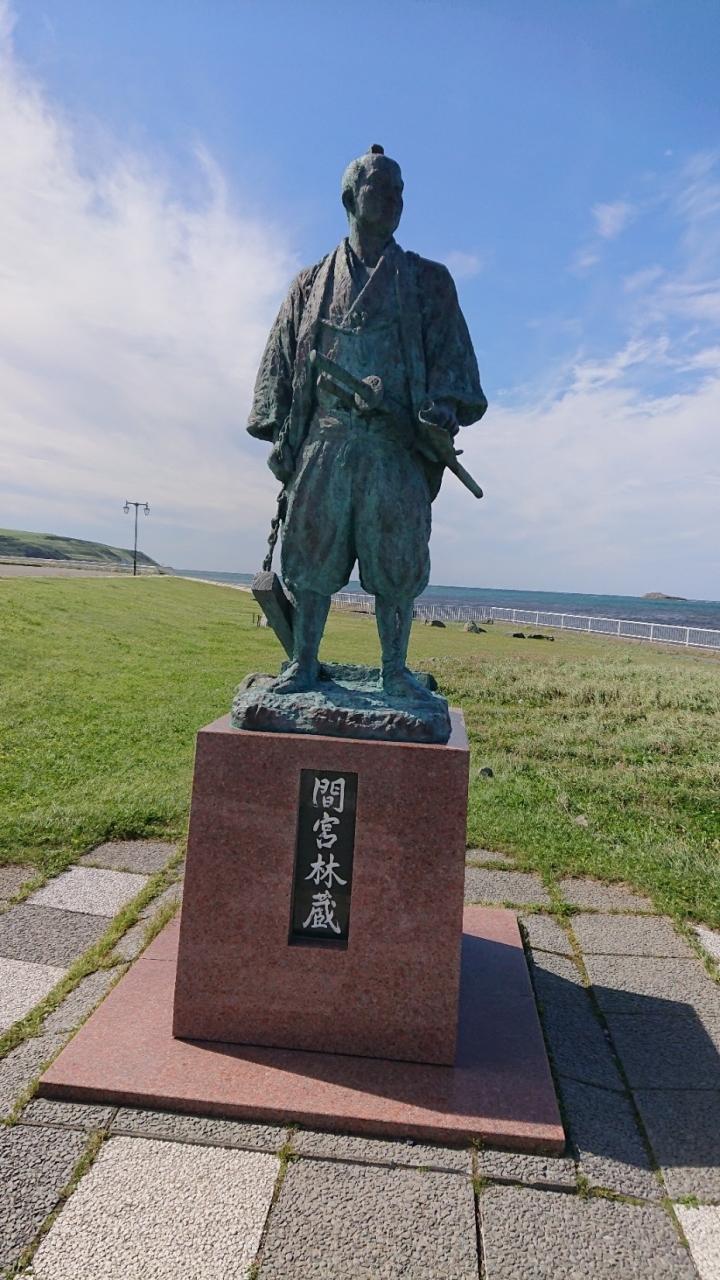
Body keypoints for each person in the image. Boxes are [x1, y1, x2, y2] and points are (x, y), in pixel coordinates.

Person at [248, 145, 487, 696]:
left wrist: (440, 410)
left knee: (397, 561)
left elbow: (454, 368)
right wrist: (279, 429)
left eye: (400, 191)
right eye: (381, 188)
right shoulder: (310, 284)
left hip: (395, 443)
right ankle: (303, 663)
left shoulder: (429, 281)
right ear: (349, 198)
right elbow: (278, 368)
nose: (394, 199)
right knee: (310, 556)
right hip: (324, 444)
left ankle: (394, 671)